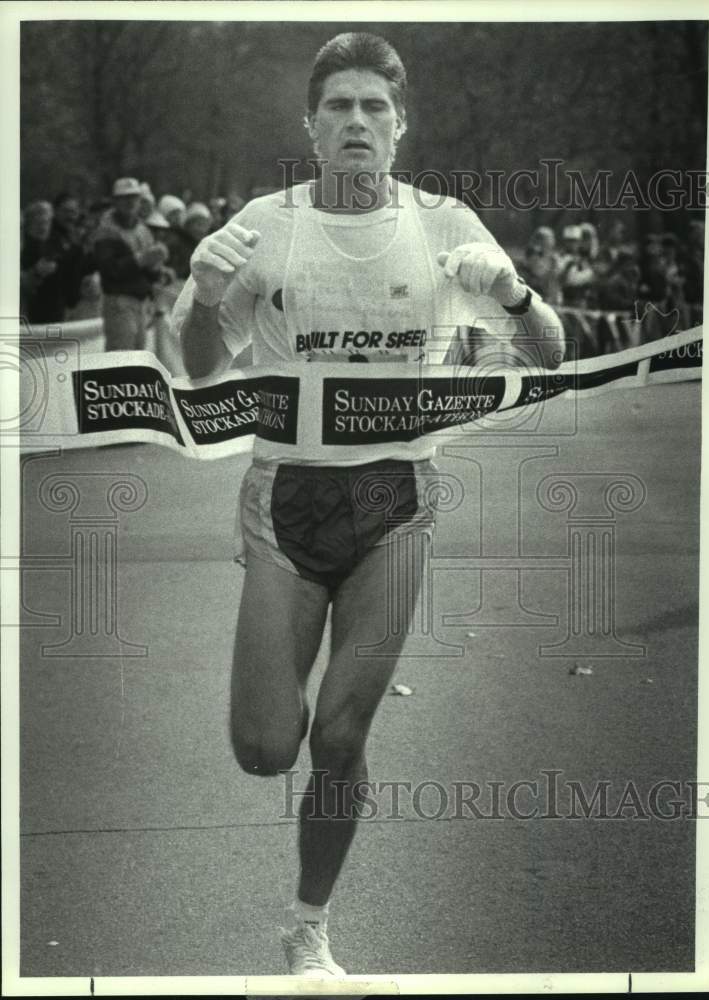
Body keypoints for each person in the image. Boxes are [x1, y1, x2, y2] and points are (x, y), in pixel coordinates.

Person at [172, 31, 564, 977]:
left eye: (373, 108)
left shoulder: (445, 222)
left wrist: (510, 295)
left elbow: (550, 352)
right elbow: (199, 366)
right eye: (338, 106)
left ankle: (309, 928)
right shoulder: (265, 221)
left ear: (399, 127)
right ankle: (283, 779)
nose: (356, 122)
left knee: (342, 733)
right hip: (286, 497)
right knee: (268, 748)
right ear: (311, 126)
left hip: (397, 497)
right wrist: (205, 290)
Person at [92, 177, 169, 351]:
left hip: (141, 301)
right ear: (115, 201)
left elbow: (150, 273)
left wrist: (157, 267)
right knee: (121, 356)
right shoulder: (106, 230)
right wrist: (143, 258)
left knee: (138, 355)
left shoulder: (143, 229)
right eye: (124, 198)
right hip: (119, 300)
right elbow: (109, 270)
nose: (130, 202)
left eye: (134, 197)